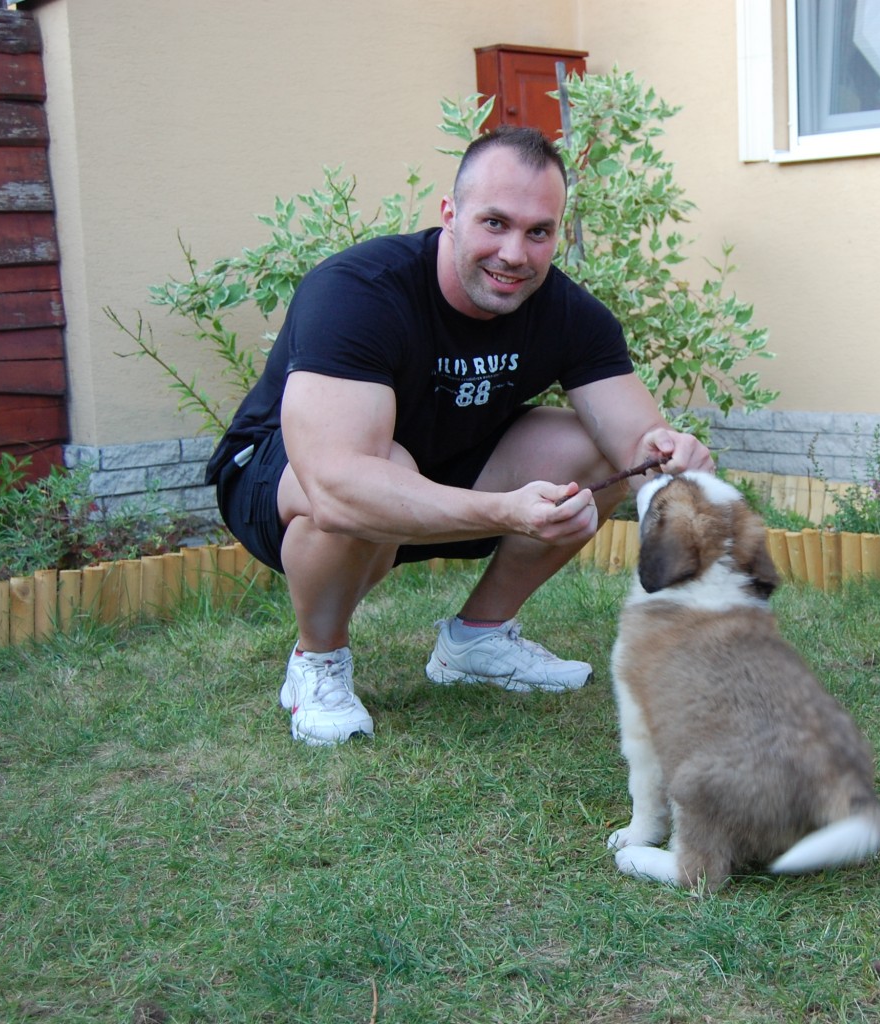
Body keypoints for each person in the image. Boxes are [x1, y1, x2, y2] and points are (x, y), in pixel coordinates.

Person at [205, 125, 713, 746]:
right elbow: (337, 486)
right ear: (450, 214)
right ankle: (319, 660)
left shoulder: (568, 313)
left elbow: (637, 444)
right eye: (494, 223)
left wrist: (670, 455)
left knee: (593, 449)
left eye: (539, 232)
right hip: (280, 482)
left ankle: (477, 639)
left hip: (441, 466)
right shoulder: (360, 291)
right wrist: (503, 510)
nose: (514, 254)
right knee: (376, 467)